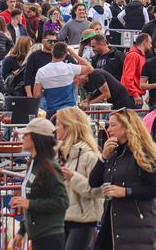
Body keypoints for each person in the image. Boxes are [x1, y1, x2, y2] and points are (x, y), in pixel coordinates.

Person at [89, 109, 156, 250]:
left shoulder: (143, 153)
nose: (108, 129)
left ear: (126, 127)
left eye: (113, 125)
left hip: (137, 226)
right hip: (112, 224)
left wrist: (126, 191)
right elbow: (93, 182)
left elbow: (155, 189)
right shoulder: (114, 153)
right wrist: (103, 157)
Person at [11, 118, 69, 250]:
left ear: (36, 138)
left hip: (49, 237)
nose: (22, 137)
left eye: (26, 135)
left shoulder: (49, 166)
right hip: (39, 235)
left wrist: (29, 203)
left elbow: (62, 202)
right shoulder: (34, 163)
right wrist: (22, 231)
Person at [55, 107, 104, 250]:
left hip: (83, 221)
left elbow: (97, 190)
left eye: (58, 124)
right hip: (60, 219)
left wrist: (72, 177)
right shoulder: (58, 155)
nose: (55, 128)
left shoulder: (90, 156)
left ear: (69, 127)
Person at [34, 43, 93, 116]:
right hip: (69, 111)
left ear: (52, 52)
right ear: (65, 55)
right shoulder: (70, 68)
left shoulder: (41, 71)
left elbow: (36, 94)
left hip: (52, 112)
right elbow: (90, 68)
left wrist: (46, 91)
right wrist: (74, 54)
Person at [121, 33, 151, 107]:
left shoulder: (138, 55)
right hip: (131, 96)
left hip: (133, 95)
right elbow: (127, 78)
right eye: (150, 42)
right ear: (144, 43)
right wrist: (135, 94)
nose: (151, 45)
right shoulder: (134, 55)